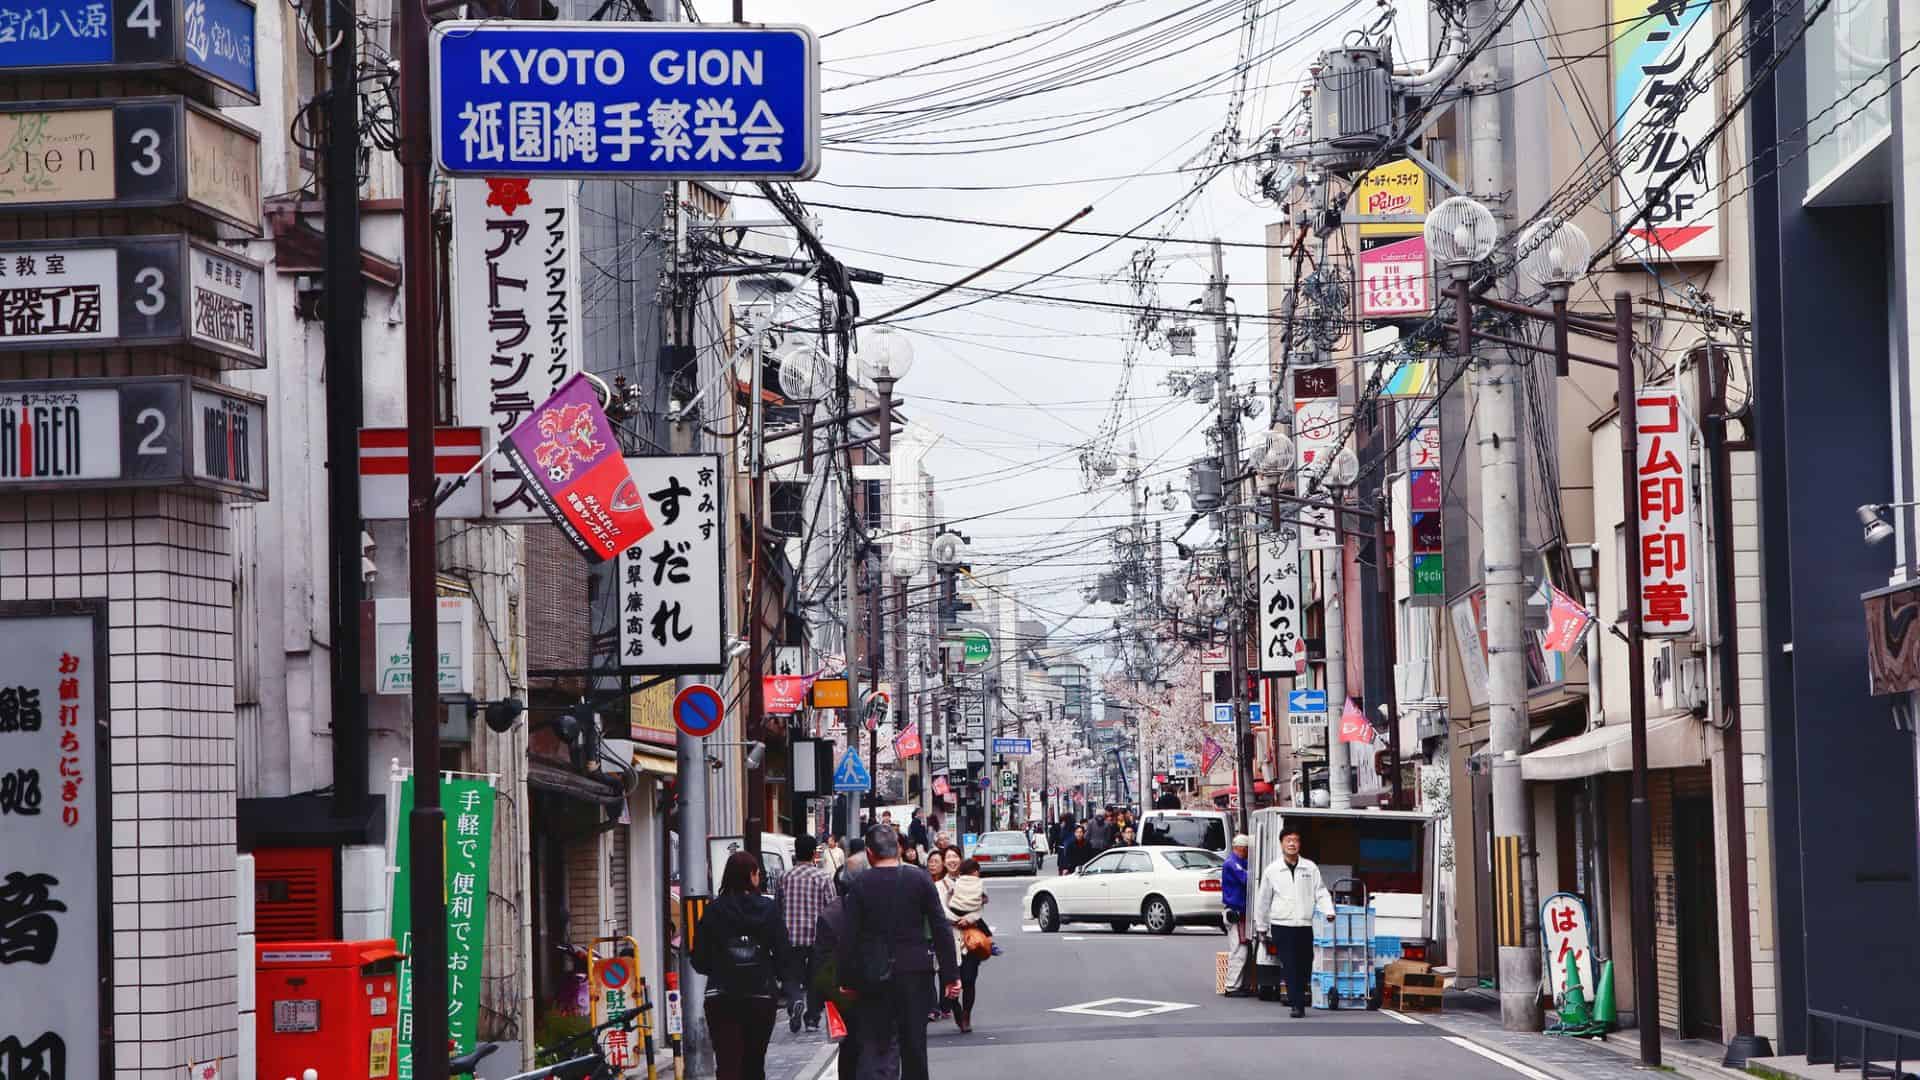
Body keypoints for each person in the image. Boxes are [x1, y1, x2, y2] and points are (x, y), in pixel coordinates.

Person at [836, 826, 960, 1080]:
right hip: (915, 973)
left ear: (869, 853)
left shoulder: (860, 885)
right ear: (899, 849)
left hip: (873, 976)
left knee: (877, 1047)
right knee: (915, 1048)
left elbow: (849, 938)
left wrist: (846, 980)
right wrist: (950, 975)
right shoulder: (920, 879)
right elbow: (940, 929)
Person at [693, 851, 790, 1080]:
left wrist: (720, 967)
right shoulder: (768, 909)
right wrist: (773, 973)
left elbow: (699, 959)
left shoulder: (713, 911)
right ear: (751, 876)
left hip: (722, 996)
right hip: (761, 995)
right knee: (754, 1062)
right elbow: (783, 953)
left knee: (727, 1063)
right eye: (757, 873)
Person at [1254, 826, 1335, 1017]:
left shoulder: (1310, 867)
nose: (1292, 844)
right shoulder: (1272, 870)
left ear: (1300, 844)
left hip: (1304, 924)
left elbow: (1320, 892)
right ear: (1281, 843)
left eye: (1295, 840)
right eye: (1288, 840)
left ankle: (1298, 995)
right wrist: (1262, 926)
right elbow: (1263, 899)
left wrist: (1328, 910)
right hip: (1282, 924)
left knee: (1306, 963)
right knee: (1290, 963)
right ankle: (1297, 1004)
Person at [775, 835, 836, 1033]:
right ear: (813, 854)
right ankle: (812, 1019)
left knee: (792, 977)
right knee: (816, 979)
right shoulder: (823, 878)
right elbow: (832, 908)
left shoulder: (784, 877)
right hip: (817, 937)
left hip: (790, 937)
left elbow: (778, 906)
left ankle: (795, 1003)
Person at [815, 857, 865, 1080]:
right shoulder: (873, 909)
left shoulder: (829, 914)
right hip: (871, 985)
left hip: (842, 991)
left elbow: (821, 961)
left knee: (849, 1047)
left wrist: (819, 998)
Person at [938, 857, 990, 1033]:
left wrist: (968, 919)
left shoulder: (978, 885)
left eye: (955, 858)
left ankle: (966, 1014)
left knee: (969, 980)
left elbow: (979, 909)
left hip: (970, 938)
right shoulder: (940, 886)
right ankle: (957, 1010)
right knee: (949, 980)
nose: (952, 861)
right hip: (949, 938)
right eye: (948, 858)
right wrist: (956, 920)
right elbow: (939, 909)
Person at [1220, 834, 1253, 998]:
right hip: (1234, 912)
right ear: (1241, 848)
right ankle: (1232, 986)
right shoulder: (1232, 863)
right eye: (1247, 849)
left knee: (1241, 950)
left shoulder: (1237, 862)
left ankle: (1237, 984)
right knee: (1238, 951)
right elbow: (1247, 878)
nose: (1248, 852)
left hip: (1237, 912)